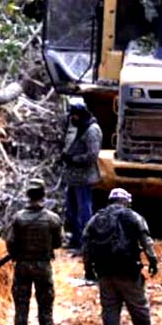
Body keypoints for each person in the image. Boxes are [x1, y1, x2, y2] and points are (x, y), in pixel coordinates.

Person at [82, 188, 162, 325]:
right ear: (126, 201)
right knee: (139, 307)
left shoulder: (96, 219)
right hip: (127, 270)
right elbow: (145, 240)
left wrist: (88, 270)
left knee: (110, 309)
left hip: (104, 271)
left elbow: (86, 246)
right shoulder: (133, 217)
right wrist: (152, 261)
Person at [0, 178, 63, 325]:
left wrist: (17, 253)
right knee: (45, 307)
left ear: (28, 195)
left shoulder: (19, 218)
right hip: (43, 266)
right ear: (43, 195)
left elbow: (10, 243)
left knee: (21, 307)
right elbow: (58, 243)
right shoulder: (52, 219)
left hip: (22, 266)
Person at [61, 101, 102, 253]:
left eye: (75, 116)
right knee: (72, 210)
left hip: (84, 178)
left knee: (84, 210)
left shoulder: (92, 130)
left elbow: (92, 155)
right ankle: (76, 239)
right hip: (73, 178)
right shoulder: (80, 127)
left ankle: (85, 243)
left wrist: (74, 159)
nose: (73, 119)